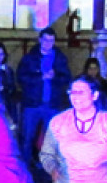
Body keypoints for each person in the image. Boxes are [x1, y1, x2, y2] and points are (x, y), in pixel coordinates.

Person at [16, 27, 71, 173]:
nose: (48, 43)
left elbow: (66, 78)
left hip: (52, 105)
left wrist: (55, 77)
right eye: (45, 40)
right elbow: (21, 78)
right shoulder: (29, 58)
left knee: (51, 141)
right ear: (40, 40)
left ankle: (49, 171)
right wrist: (40, 77)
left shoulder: (60, 58)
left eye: (51, 41)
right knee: (27, 138)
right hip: (32, 105)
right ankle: (24, 170)